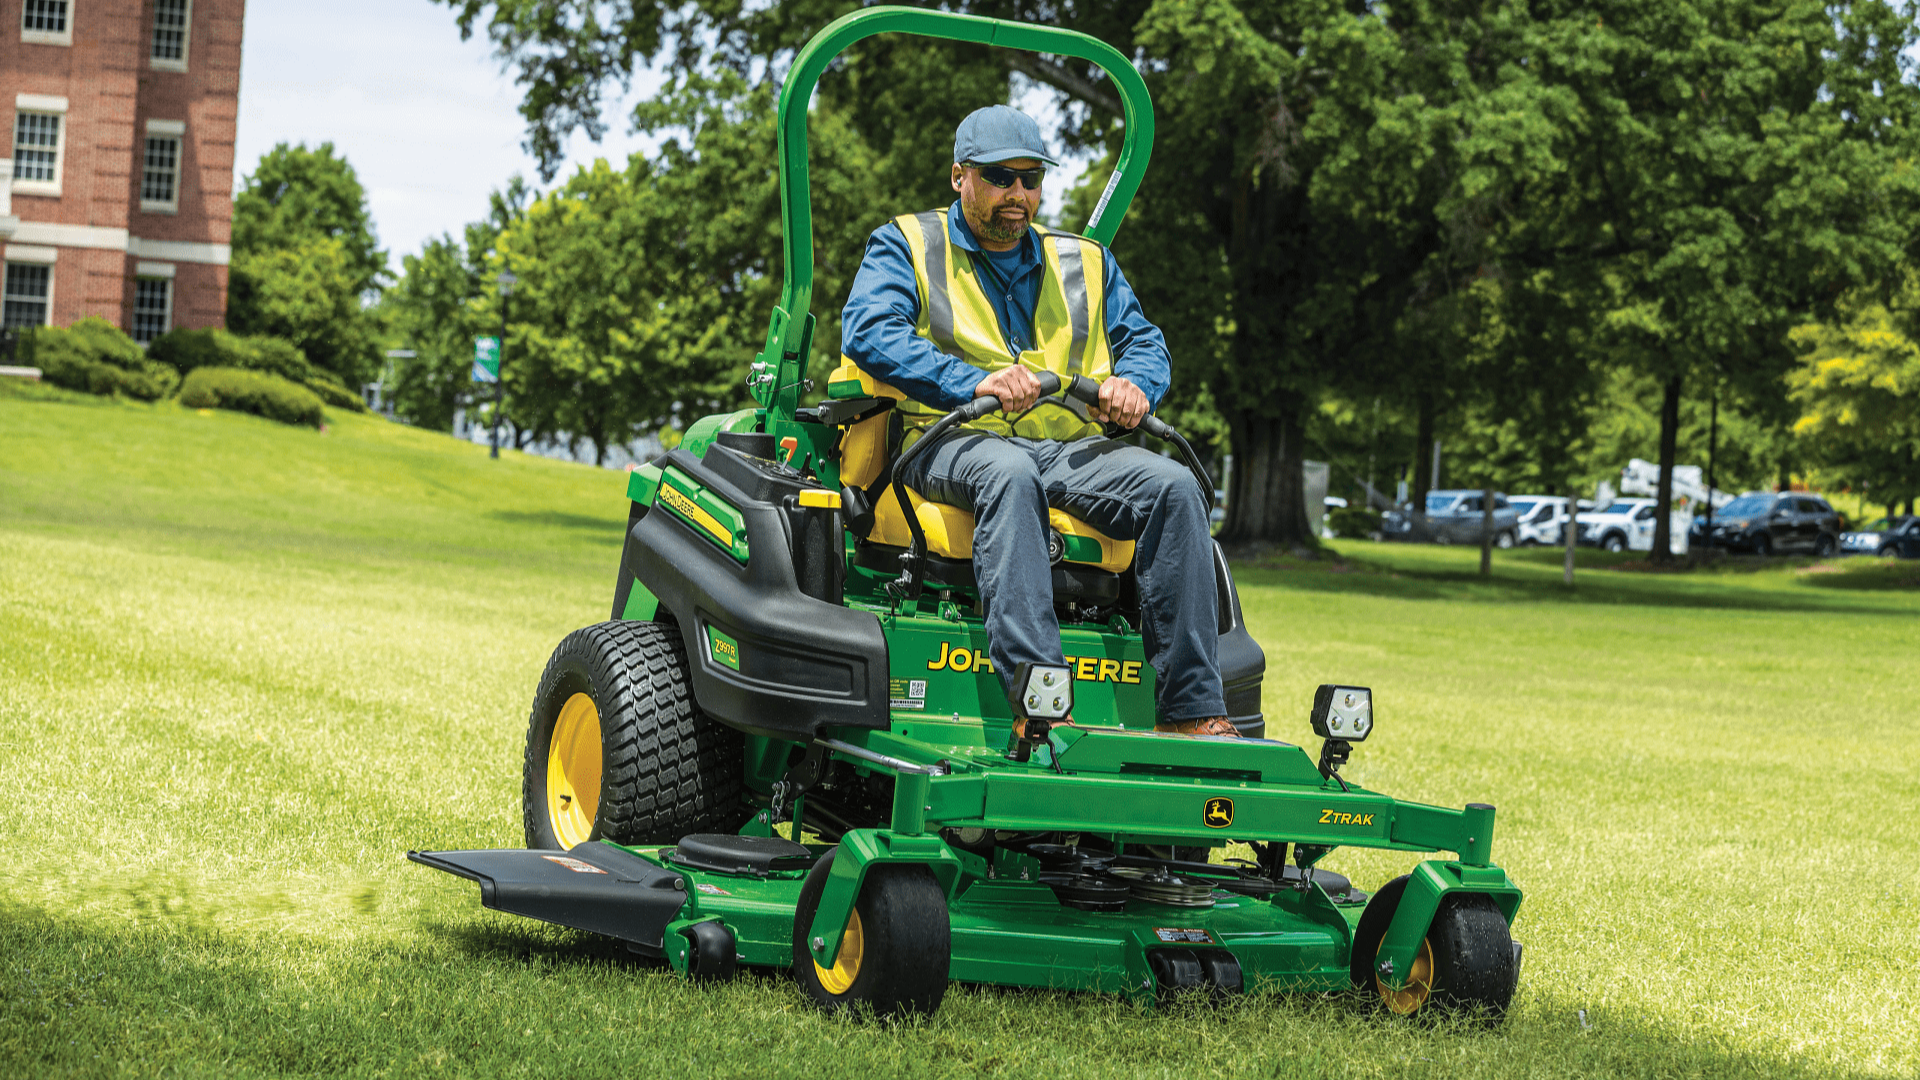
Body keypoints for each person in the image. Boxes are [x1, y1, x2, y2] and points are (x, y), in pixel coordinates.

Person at [840, 105, 1235, 739]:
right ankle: (1039, 696)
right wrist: (970, 382)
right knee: (1009, 469)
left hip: (1066, 450)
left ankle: (1192, 709)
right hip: (947, 440)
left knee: (1173, 484)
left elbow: (1144, 341)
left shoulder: (1086, 261)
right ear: (959, 177)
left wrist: (1137, 386)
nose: (1018, 195)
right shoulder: (907, 244)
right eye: (1000, 178)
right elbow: (869, 333)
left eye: (1030, 179)